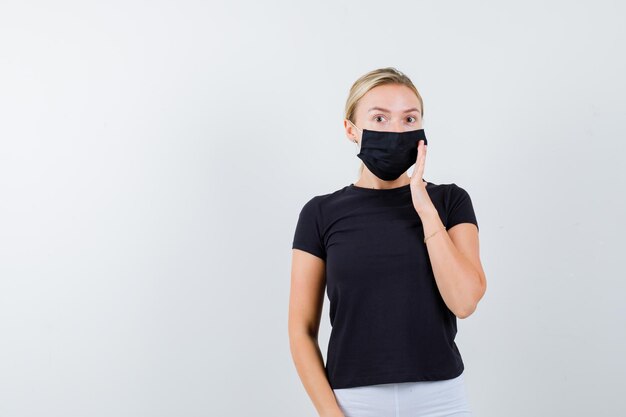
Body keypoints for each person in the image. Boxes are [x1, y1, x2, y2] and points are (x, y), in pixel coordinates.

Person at [288, 67, 487, 417]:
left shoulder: (449, 202)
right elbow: (301, 329)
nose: (396, 130)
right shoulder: (320, 213)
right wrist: (331, 414)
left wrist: (424, 209)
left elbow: (464, 301)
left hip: (441, 399)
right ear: (351, 130)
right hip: (353, 401)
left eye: (409, 119)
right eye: (379, 118)